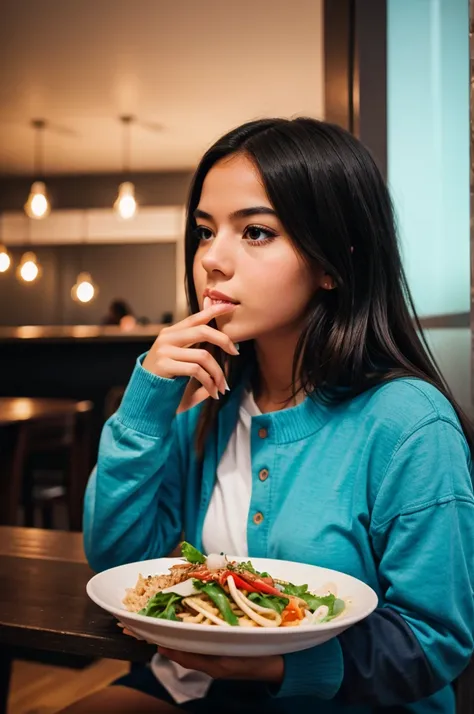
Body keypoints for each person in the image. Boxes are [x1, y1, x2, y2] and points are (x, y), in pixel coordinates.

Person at [65, 118, 474, 714]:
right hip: (203, 689)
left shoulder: (409, 425)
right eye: (205, 232)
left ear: (334, 263)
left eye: (256, 232)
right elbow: (124, 568)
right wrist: (144, 408)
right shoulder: (205, 401)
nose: (213, 260)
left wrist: (281, 664)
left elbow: (437, 639)